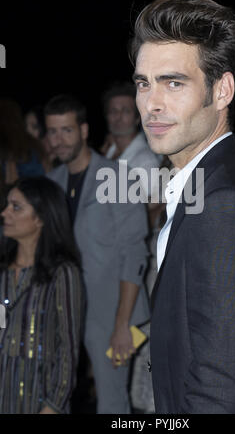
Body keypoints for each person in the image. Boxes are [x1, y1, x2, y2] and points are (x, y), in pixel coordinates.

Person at [129, 0, 235, 413]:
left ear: (221, 90)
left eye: (173, 83)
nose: (152, 103)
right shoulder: (212, 187)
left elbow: (222, 394)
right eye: (143, 83)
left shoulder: (228, 208)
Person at [45, 94, 150, 414]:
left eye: (67, 130)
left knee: (112, 403)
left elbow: (133, 254)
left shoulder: (119, 178)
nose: (59, 140)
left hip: (116, 313)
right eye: (52, 132)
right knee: (56, 395)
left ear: (84, 130)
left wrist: (121, 326)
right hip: (67, 310)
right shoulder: (52, 182)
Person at [0, 176, 84, 414]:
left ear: (41, 218)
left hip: (41, 395)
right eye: (7, 205)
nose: (5, 213)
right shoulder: (4, 272)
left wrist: (53, 406)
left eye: (16, 207)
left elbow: (68, 349)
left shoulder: (63, 274)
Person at [100, 82, 162, 208]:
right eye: (113, 111)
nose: (118, 116)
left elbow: (149, 210)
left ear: (137, 118)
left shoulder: (146, 160)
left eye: (126, 111)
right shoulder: (107, 152)